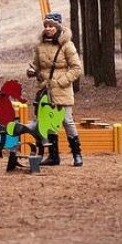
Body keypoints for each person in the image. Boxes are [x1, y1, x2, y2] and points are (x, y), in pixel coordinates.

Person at [26, 12, 84, 167]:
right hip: (46, 90)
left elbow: (77, 68)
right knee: (49, 121)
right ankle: (53, 156)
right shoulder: (40, 46)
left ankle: (77, 154)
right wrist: (31, 72)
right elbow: (36, 65)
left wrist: (61, 81)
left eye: (51, 25)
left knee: (66, 120)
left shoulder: (67, 45)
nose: (48, 28)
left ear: (58, 26)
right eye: (46, 25)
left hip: (62, 89)